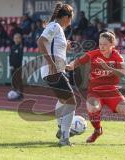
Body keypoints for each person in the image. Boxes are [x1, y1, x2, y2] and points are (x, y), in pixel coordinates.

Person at [66, 31, 125, 145]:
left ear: (112, 45)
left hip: (111, 91)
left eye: (105, 44)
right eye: (100, 44)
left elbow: (123, 73)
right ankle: (97, 131)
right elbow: (79, 61)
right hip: (95, 91)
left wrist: (108, 67)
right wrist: (71, 65)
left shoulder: (117, 56)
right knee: (92, 108)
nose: (102, 46)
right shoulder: (94, 53)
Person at [37, 2, 76, 147]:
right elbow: (40, 42)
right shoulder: (54, 26)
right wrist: (52, 64)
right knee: (72, 102)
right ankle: (64, 137)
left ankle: (61, 128)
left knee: (64, 100)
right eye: (70, 18)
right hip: (53, 70)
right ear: (66, 17)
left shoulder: (57, 28)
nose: (70, 22)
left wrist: (65, 46)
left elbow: (54, 48)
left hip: (56, 69)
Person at [9, 33, 24, 99]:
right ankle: (14, 93)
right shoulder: (13, 47)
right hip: (12, 67)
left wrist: (17, 66)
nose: (16, 39)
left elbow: (19, 58)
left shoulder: (20, 47)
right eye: (15, 38)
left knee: (19, 81)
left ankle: (20, 94)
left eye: (17, 38)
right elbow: (11, 57)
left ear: (20, 39)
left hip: (18, 67)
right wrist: (11, 65)